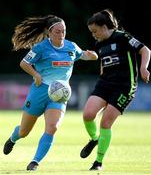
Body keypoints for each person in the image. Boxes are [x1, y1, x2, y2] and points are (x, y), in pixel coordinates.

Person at [3, 14, 98, 171]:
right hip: (39, 92)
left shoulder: (71, 46)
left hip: (60, 95)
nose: (61, 35)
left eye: (64, 31)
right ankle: (13, 138)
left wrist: (92, 55)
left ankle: (35, 162)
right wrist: (36, 74)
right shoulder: (40, 48)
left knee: (52, 128)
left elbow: (84, 55)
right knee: (24, 131)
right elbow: (24, 63)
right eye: (57, 32)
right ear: (49, 32)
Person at [80, 9, 151, 171]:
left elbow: (145, 50)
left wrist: (143, 68)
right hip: (105, 83)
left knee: (105, 123)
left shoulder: (122, 37)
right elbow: (104, 61)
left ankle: (98, 162)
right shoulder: (99, 43)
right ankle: (94, 139)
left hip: (124, 86)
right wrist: (102, 73)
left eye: (95, 31)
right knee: (88, 115)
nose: (93, 35)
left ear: (105, 27)